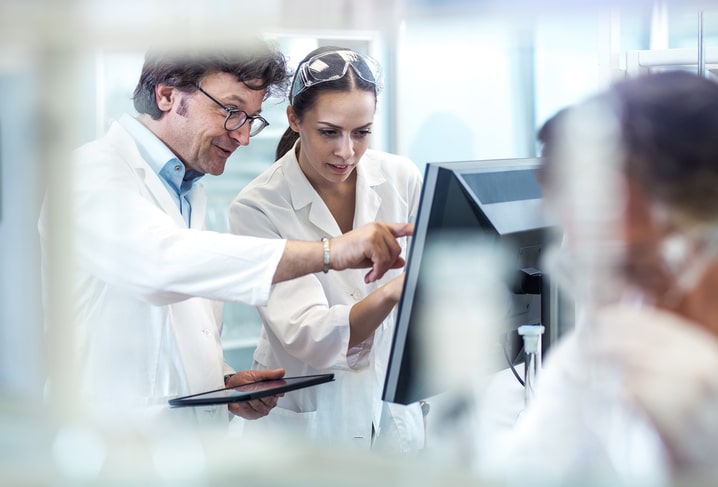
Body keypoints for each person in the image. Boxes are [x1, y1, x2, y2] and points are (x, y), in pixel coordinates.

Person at [37, 40, 413, 427]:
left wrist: (222, 380)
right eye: (232, 111)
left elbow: (172, 332)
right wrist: (330, 252)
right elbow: (161, 265)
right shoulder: (88, 174)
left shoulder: (186, 190)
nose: (243, 137)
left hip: (178, 446)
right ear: (167, 95)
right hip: (106, 444)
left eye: (251, 119)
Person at [483, 71, 718, 484]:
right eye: (593, 269)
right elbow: (524, 468)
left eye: (639, 268)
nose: (619, 300)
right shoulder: (610, 335)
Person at [227, 46, 426, 452]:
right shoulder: (257, 207)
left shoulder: (400, 177)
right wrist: (395, 290)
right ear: (294, 120)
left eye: (362, 132)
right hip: (307, 422)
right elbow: (312, 335)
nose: (346, 151)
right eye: (329, 132)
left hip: (387, 411)